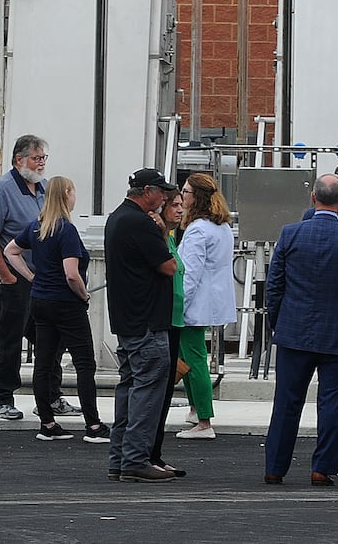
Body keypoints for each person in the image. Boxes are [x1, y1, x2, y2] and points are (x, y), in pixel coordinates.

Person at [263, 171, 338, 486]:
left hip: (294, 331)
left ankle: (275, 467)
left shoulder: (290, 234)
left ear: (312, 198)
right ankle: (322, 467)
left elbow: (274, 287)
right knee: (335, 405)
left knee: (286, 402)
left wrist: (279, 322)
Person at [0, 134, 72, 421]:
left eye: (43, 158)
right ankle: (1, 399)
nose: (41, 164)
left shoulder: (43, 189)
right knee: (9, 337)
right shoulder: (2, 191)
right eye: (36, 158)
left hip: (38, 277)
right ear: (19, 160)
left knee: (52, 336)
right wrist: (5, 275)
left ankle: (51, 396)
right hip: (11, 277)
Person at [6, 175, 106, 443]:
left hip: (40, 301)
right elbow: (71, 274)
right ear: (67, 195)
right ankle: (93, 425)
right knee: (85, 363)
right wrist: (84, 295)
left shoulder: (37, 227)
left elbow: (10, 250)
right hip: (67, 303)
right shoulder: (67, 230)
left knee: (44, 362)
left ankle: (48, 423)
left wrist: (31, 277)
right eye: (73, 192)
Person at [103, 167, 178, 483]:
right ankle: (135, 459)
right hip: (147, 320)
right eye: (161, 192)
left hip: (128, 319)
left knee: (130, 388)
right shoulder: (141, 223)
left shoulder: (117, 218)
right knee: (148, 391)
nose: (164, 198)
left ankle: (120, 457)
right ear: (147, 191)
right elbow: (169, 266)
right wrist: (162, 232)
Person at [176, 173, 236, 441]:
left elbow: (189, 272)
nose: (182, 196)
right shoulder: (221, 227)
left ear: (197, 197)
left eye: (186, 192)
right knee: (192, 356)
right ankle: (194, 409)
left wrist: (179, 303)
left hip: (195, 304)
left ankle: (203, 420)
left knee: (194, 358)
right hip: (212, 301)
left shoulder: (198, 229)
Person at [147, 188, 187, 474]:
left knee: (166, 391)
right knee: (158, 392)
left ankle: (156, 452)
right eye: (174, 204)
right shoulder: (161, 239)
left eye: (182, 204)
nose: (180, 209)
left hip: (176, 320)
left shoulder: (172, 237)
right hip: (165, 320)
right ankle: (150, 453)